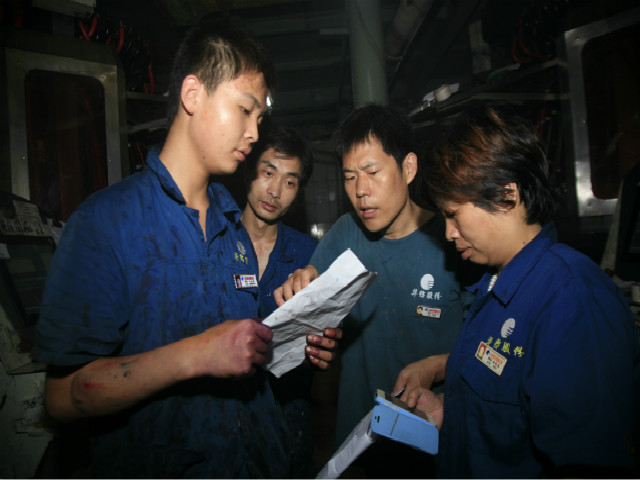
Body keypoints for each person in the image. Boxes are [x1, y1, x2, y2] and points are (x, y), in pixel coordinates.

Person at [33, 20, 339, 478]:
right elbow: (64, 396)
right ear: (193, 95)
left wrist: (298, 329)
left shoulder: (232, 227)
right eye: (245, 110)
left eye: (259, 120)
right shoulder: (107, 222)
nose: (254, 133)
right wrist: (195, 355)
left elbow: (241, 351)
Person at [402, 102, 640, 478]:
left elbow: (589, 463)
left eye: (454, 215)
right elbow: (508, 419)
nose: (448, 233)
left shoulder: (571, 300)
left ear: (506, 195)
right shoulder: (496, 285)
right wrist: (448, 411)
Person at [274, 104, 479, 477]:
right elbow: (312, 286)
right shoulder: (346, 233)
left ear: (409, 168)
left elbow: (486, 352)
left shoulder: (455, 241)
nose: (360, 191)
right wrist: (300, 288)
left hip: (436, 441)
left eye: (372, 172)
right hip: (360, 446)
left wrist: (437, 367)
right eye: (350, 177)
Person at [238, 123, 320, 477]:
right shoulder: (214, 243)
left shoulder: (309, 256)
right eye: (268, 172)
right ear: (248, 170)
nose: (274, 191)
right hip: (221, 415)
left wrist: (324, 346)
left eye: (290, 182)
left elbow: (322, 337)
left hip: (289, 417)